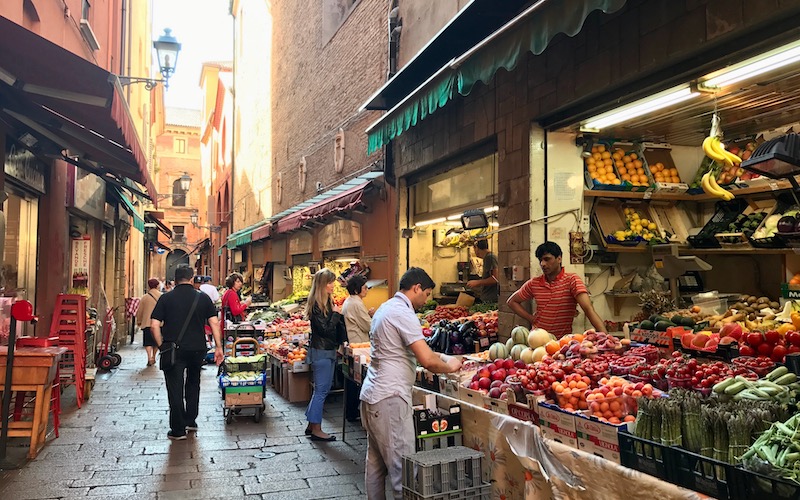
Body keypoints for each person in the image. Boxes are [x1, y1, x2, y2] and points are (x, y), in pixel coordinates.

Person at [360, 267, 462, 499]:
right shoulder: (403, 313)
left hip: (373, 395)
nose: (426, 300)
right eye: (426, 294)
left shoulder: (386, 308)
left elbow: (415, 351)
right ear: (416, 288)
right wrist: (450, 366)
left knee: (376, 466)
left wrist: (441, 356)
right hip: (390, 399)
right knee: (403, 470)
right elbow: (427, 361)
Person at [150, 266, 222, 440]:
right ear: (191, 279)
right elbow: (214, 323)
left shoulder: (166, 298)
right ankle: (191, 420)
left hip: (174, 349)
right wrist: (219, 347)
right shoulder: (203, 298)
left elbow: (154, 325)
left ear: (175, 280)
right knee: (193, 383)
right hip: (197, 349)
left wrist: (162, 346)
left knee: (174, 388)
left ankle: (178, 429)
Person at [507, 241, 606, 338]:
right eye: (540, 260)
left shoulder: (572, 280)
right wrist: (531, 319)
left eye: (547, 259)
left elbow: (588, 309)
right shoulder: (534, 283)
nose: (543, 264)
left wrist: (606, 337)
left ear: (559, 259)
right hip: (537, 341)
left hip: (561, 344)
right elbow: (512, 302)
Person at [304, 268, 347, 442]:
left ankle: (311, 424)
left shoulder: (326, 303)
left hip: (326, 350)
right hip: (321, 352)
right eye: (330, 282)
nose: (333, 285)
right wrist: (337, 314)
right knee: (321, 391)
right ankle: (317, 429)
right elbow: (326, 329)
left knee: (321, 390)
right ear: (322, 285)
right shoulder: (316, 306)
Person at [341, 274, 374, 421]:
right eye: (364, 287)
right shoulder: (356, 303)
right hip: (359, 344)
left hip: (352, 342)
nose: (367, 290)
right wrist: (373, 316)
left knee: (351, 379)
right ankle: (354, 412)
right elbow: (368, 325)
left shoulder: (350, 301)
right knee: (357, 380)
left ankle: (350, 411)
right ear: (357, 289)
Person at [136, 278, 162, 367]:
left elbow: (140, 311)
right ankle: (154, 356)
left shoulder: (145, 297)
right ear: (157, 285)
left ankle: (149, 357)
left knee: (147, 341)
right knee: (156, 341)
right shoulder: (161, 296)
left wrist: (139, 321)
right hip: (159, 323)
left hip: (147, 322)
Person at [466, 239, 499, 303]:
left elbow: (495, 278)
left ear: (477, 248)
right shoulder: (487, 258)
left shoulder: (490, 258)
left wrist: (477, 282)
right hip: (487, 298)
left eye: (474, 248)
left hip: (491, 300)